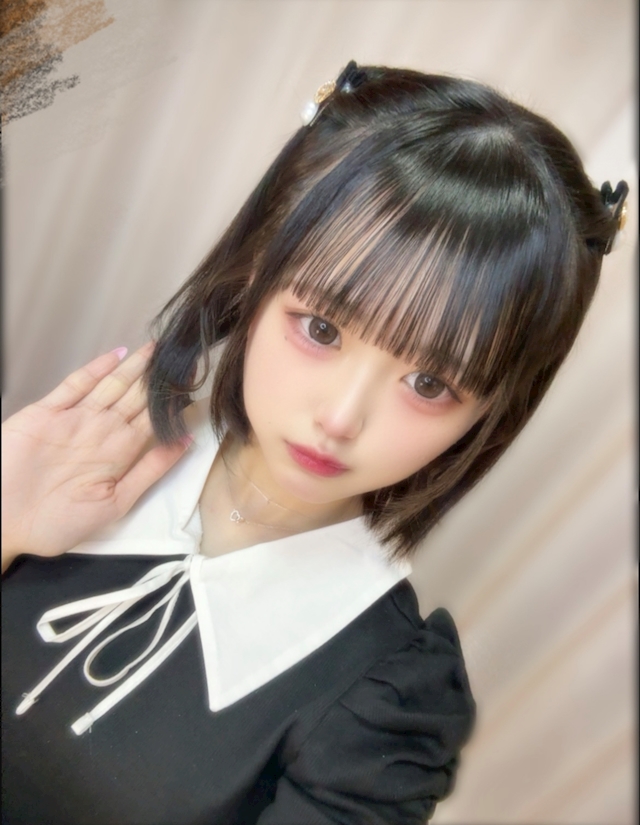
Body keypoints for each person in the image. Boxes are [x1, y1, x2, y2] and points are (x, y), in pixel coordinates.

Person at [1, 61, 628, 824]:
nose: (341, 417)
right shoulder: (80, 452)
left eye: (429, 382)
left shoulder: (388, 706)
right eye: (323, 329)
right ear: (256, 272)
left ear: (490, 412)